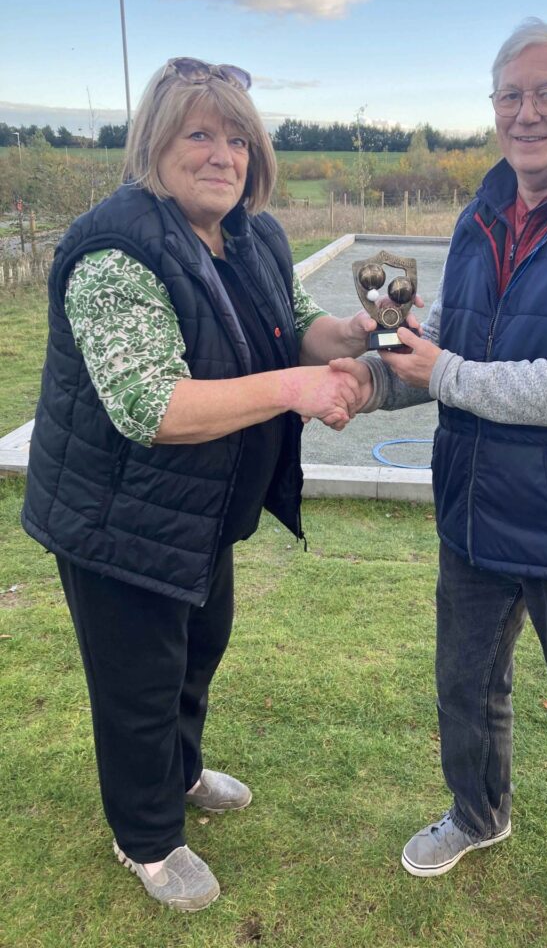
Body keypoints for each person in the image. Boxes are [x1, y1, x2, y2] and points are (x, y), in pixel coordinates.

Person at [332, 20, 547, 948]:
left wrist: (439, 370)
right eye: (510, 96)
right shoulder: (485, 208)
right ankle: (478, 814)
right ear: (492, 108)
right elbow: (450, 330)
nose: (526, 113)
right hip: (478, 507)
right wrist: (364, 383)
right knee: (466, 689)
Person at [21, 56, 375, 912]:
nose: (223, 155)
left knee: (194, 652)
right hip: (117, 517)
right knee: (138, 680)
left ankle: (174, 780)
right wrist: (299, 390)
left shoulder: (252, 235)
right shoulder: (114, 248)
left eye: (238, 140)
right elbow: (153, 405)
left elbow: (297, 326)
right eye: (200, 135)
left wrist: (357, 334)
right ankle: (145, 839)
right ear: (157, 143)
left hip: (198, 513)